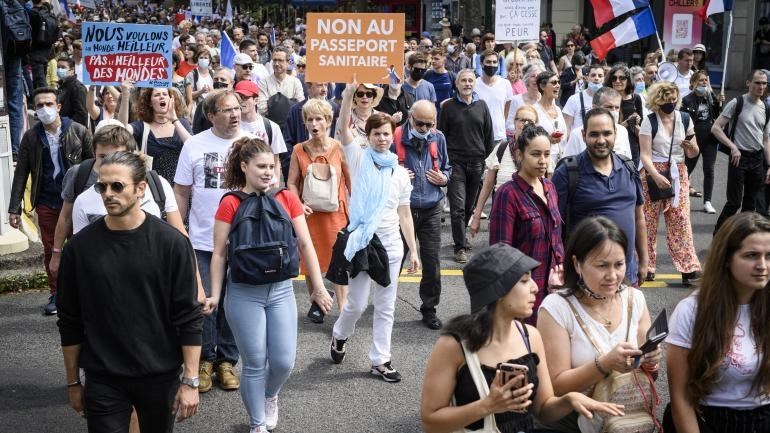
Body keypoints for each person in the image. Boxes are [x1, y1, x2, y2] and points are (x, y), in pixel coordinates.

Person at [56, 151, 202, 432]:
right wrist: (73, 382)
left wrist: (191, 381)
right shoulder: (79, 249)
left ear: (140, 188)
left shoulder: (171, 244)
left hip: (160, 376)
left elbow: (188, 316)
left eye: (117, 186)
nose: (108, 193)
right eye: (102, 186)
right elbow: (69, 320)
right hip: (103, 377)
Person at [420, 243, 624, 433]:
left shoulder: (530, 336)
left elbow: (543, 410)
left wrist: (568, 400)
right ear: (498, 291)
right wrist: (487, 406)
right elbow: (430, 421)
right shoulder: (454, 345)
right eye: (524, 281)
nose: (535, 287)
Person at [208, 137, 331, 433]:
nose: (267, 172)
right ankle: (257, 425)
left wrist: (318, 286)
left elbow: (305, 243)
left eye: (271, 166)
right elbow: (219, 253)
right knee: (253, 363)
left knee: (283, 362)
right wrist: (214, 294)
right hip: (243, 294)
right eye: (260, 166)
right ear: (244, 167)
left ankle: (269, 395)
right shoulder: (230, 202)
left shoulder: (287, 197)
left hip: (281, 291)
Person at [537, 216, 660, 433]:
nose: (612, 276)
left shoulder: (635, 299)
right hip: (574, 424)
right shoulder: (556, 308)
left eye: (619, 264)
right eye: (602, 266)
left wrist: (651, 361)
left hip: (629, 423)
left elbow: (647, 375)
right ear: (577, 264)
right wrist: (604, 363)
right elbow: (555, 386)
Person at [329, 109, 420, 383]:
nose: (382, 138)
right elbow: (344, 129)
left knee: (386, 306)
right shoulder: (357, 159)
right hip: (363, 243)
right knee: (355, 305)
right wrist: (348, 95)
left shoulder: (401, 173)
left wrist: (413, 250)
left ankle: (380, 360)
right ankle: (340, 335)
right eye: (376, 134)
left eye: (386, 134)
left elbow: (404, 213)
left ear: (393, 136)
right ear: (366, 137)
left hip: (392, 246)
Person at [664, 211, 770, 433]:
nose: (762, 265)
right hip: (708, 419)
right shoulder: (692, 310)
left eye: (768, 256)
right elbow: (681, 399)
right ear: (726, 259)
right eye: (751, 255)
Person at [174, 89, 250, 394]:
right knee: (204, 302)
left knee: (233, 302)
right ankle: (204, 359)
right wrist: (179, 231)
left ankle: (226, 361)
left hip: (242, 241)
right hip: (203, 240)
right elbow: (181, 191)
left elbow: (269, 184)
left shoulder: (250, 142)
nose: (235, 114)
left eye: (237, 109)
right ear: (211, 116)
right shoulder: (194, 145)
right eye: (227, 110)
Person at [8, 87, 93, 316]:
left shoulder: (79, 131)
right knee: (51, 250)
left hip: (76, 202)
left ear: (58, 107)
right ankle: (56, 293)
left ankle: (83, 293)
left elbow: (92, 166)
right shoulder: (31, 137)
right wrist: (14, 207)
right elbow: (21, 173)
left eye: (48, 104)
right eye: (39, 105)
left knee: (81, 248)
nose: (44, 109)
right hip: (47, 201)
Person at [554, 108, 648, 286]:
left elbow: (639, 218)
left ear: (616, 133)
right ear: (583, 135)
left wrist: (644, 261)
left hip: (627, 275)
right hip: (585, 279)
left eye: (607, 133)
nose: (601, 140)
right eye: (594, 134)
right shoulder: (568, 172)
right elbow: (554, 226)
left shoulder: (629, 168)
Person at [489, 125, 563, 325]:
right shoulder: (508, 194)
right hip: (523, 299)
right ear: (519, 154)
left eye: (547, 154)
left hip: (554, 295)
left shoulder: (550, 187)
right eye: (536, 154)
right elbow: (500, 254)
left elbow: (557, 239)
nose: (543, 161)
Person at [287, 98, 350, 323]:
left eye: (319, 119)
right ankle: (317, 299)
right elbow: (291, 182)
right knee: (308, 259)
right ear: (304, 123)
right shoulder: (298, 150)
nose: (314, 123)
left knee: (339, 261)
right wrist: (297, 203)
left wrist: (355, 214)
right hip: (309, 215)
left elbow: (352, 183)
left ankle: (343, 306)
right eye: (309, 119)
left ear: (328, 121)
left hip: (337, 215)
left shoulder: (340, 147)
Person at [394, 100, 452, 330]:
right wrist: (396, 174)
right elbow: (379, 167)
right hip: (401, 209)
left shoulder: (438, 138)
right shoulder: (395, 137)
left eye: (430, 124)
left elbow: (448, 167)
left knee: (431, 262)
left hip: (431, 208)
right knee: (394, 259)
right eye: (420, 123)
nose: (425, 129)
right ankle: (384, 301)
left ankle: (429, 308)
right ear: (410, 118)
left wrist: (445, 178)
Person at [639, 81, 702, 285]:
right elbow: (645, 155)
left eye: (674, 99)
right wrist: (656, 176)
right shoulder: (650, 121)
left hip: (678, 172)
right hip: (652, 173)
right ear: (658, 101)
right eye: (667, 100)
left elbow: (694, 152)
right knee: (648, 221)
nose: (671, 103)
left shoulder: (685, 119)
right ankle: (646, 265)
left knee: (681, 220)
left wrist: (690, 147)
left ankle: (688, 267)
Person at [438, 69, 495, 263]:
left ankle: (461, 236)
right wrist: (442, 162)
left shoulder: (482, 106)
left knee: (470, 206)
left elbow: (489, 136)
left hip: (477, 163)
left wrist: (489, 162)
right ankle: (459, 247)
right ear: (457, 84)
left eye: (471, 80)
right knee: (458, 207)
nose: (467, 84)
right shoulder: (448, 107)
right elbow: (441, 137)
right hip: (456, 163)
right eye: (463, 80)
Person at [710, 70, 770, 232]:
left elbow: (765, 139)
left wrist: (769, 165)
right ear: (748, 83)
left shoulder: (766, 107)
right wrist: (733, 147)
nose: (761, 86)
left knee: (750, 204)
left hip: (757, 159)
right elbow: (716, 128)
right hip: (739, 158)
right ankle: (718, 236)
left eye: (764, 83)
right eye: (757, 82)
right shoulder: (737, 102)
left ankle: (743, 238)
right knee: (734, 202)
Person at [470, 105, 538, 239]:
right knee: (501, 258)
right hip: (501, 217)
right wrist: (476, 216)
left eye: (530, 121)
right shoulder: (501, 149)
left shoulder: (540, 154)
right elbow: (487, 186)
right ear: (514, 122)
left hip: (531, 220)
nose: (525, 124)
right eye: (522, 120)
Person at [118, 83, 193, 182]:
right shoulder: (142, 126)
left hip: (181, 185)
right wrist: (125, 94)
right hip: (153, 187)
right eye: (157, 95)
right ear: (150, 103)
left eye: (165, 94)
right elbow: (121, 128)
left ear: (171, 100)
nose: (162, 97)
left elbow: (192, 146)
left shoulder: (182, 123)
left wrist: (174, 119)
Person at [681, 70, 723, 214]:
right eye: (700, 80)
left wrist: (719, 101)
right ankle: (679, 197)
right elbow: (684, 121)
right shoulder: (687, 99)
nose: (704, 83)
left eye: (705, 80)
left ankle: (707, 202)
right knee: (686, 170)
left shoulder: (711, 97)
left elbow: (719, 117)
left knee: (709, 170)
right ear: (693, 83)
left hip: (710, 139)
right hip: (694, 139)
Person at [284, 81, 341, 175]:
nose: (324, 90)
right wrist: (293, 168)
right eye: (320, 85)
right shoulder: (295, 110)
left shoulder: (335, 109)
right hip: (303, 171)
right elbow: (287, 142)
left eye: (326, 85)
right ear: (309, 88)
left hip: (330, 172)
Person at [562, 87, 633, 160]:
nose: (614, 111)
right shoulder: (577, 134)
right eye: (609, 107)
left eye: (617, 107)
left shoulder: (623, 131)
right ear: (595, 108)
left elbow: (627, 160)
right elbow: (568, 163)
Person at [234, 80, 285, 181]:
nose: (241, 101)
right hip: (237, 180)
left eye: (245, 97)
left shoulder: (271, 127)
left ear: (256, 100)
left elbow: (275, 160)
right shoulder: (231, 125)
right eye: (239, 97)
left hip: (263, 184)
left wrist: (275, 186)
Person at [606, 63, 644, 167]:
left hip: (632, 146)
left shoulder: (636, 98)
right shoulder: (606, 99)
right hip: (613, 146)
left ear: (628, 80)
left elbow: (641, 128)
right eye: (614, 78)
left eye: (622, 78)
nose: (617, 81)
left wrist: (636, 123)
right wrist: (626, 123)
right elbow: (605, 127)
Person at [475, 49, 515, 150]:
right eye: (488, 62)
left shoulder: (505, 84)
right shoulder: (474, 84)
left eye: (494, 62)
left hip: (499, 136)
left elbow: (506, 110)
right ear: (482, 64)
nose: (492, 65)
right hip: (478, 137)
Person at [257, 46, 305, 120]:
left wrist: (272, 102)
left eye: (280, 60)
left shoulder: (295, 82)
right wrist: (290, 102)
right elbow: (262, 108)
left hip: (290, 125)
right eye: (274, 60)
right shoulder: (264, 82)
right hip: (270, 124)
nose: (276, 64)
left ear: (288, 63)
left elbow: (300, 106)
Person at [533, 71, 567, 172]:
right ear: (542, 86)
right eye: (553, 83)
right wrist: (548, 139)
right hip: (544, 164)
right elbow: (530, 137)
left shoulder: (558, 109)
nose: (557, 86)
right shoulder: (534, 110)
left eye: (558, 82)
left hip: (561, 162)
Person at [336, 81, 383, 149]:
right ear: (354, 97)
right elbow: (338, 147)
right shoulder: (344, 119)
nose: (364, 97)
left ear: (373, 97)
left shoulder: (381, 118)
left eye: (369, 94)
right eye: (360, 94)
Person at [505, 62, 545, 137]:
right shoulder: (516, 100)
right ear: (527, 79)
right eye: (533, 76)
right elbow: (508, 124)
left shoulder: (546, 101)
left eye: (539, 76)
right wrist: (525, 130)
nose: (536, 79)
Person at [563, 63, 605, 132]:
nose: (597, 78)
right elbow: (566, 127)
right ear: (587, 77)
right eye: (593, 75)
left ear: (604, 79)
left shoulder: (608, 99)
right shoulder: (574, 99)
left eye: (600, 76)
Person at [192, 67, 234, 134]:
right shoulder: (204, 104)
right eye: (216, 79)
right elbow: (196, 130)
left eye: (223, 79)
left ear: (231, 83)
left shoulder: (237, 103)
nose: (219, 81)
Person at [56, 56, 88, 127]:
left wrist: (66, 126)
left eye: (63, 67)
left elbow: (81, 114)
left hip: (72, 131)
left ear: (72, 70)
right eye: (58, 67)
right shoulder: (62, 86)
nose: (59, 70)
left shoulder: (77, 87)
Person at [423, 47, 455, 113]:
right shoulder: (427, 74)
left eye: (436, 59)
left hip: (447, 113)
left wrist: (451, 100)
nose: (433, 61)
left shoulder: (451, 76)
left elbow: (460, 94)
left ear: (444, 60)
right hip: (430, 112)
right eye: (432, 58)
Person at [185, 46, 214, 117]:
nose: (203, 60)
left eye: (205, 58)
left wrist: (212, 91)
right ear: (197, 60)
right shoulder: (192, 74)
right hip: (197, 109)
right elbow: (188, 95)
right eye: (201, 58)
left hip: (212, 108)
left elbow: (218, 92)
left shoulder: (213, 73)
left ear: (209, 60)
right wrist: (201, 91)